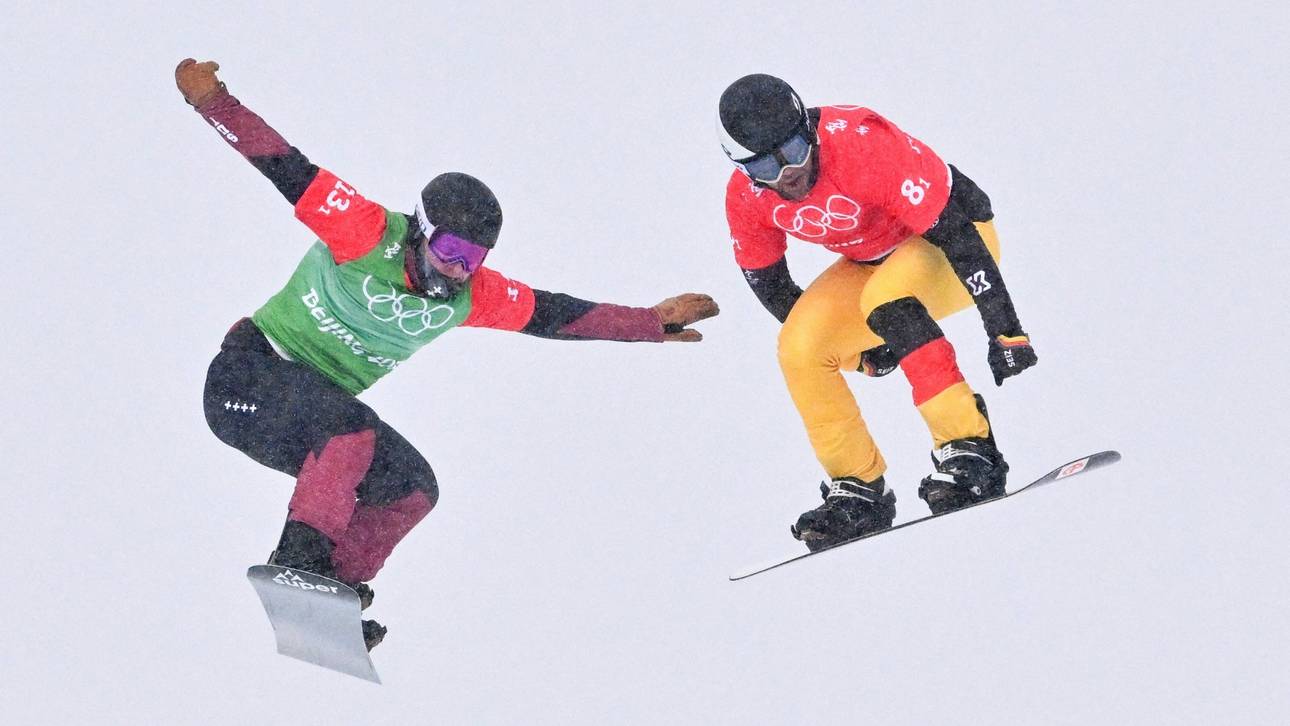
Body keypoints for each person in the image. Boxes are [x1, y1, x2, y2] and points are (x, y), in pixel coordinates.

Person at [176, 59, 719, 649]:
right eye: (451, 249)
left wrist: (648, 323)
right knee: (350, 431)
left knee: (411, 488)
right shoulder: (363, 230)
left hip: (307, 423)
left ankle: (332, 590)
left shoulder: (471, 297)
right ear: (421, 230)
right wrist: (213, 103)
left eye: (475, 258)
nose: (459, 269)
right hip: (249, 376)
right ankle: (298, 568)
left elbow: (556, 314)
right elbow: (284, 165)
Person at [717, 74, 1038, 552]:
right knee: (799, 347)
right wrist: (859, 354)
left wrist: (1005, 330)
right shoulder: (747, 197)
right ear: (743, 167)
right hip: (874, 260)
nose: (787, 172)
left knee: (886, 301)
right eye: (765, 165)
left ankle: (970, 448)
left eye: (794, 150)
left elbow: (957, 237)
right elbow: (773, 286)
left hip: (957, 238)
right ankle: (858, 489)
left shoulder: (861, 145)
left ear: (809, 127)